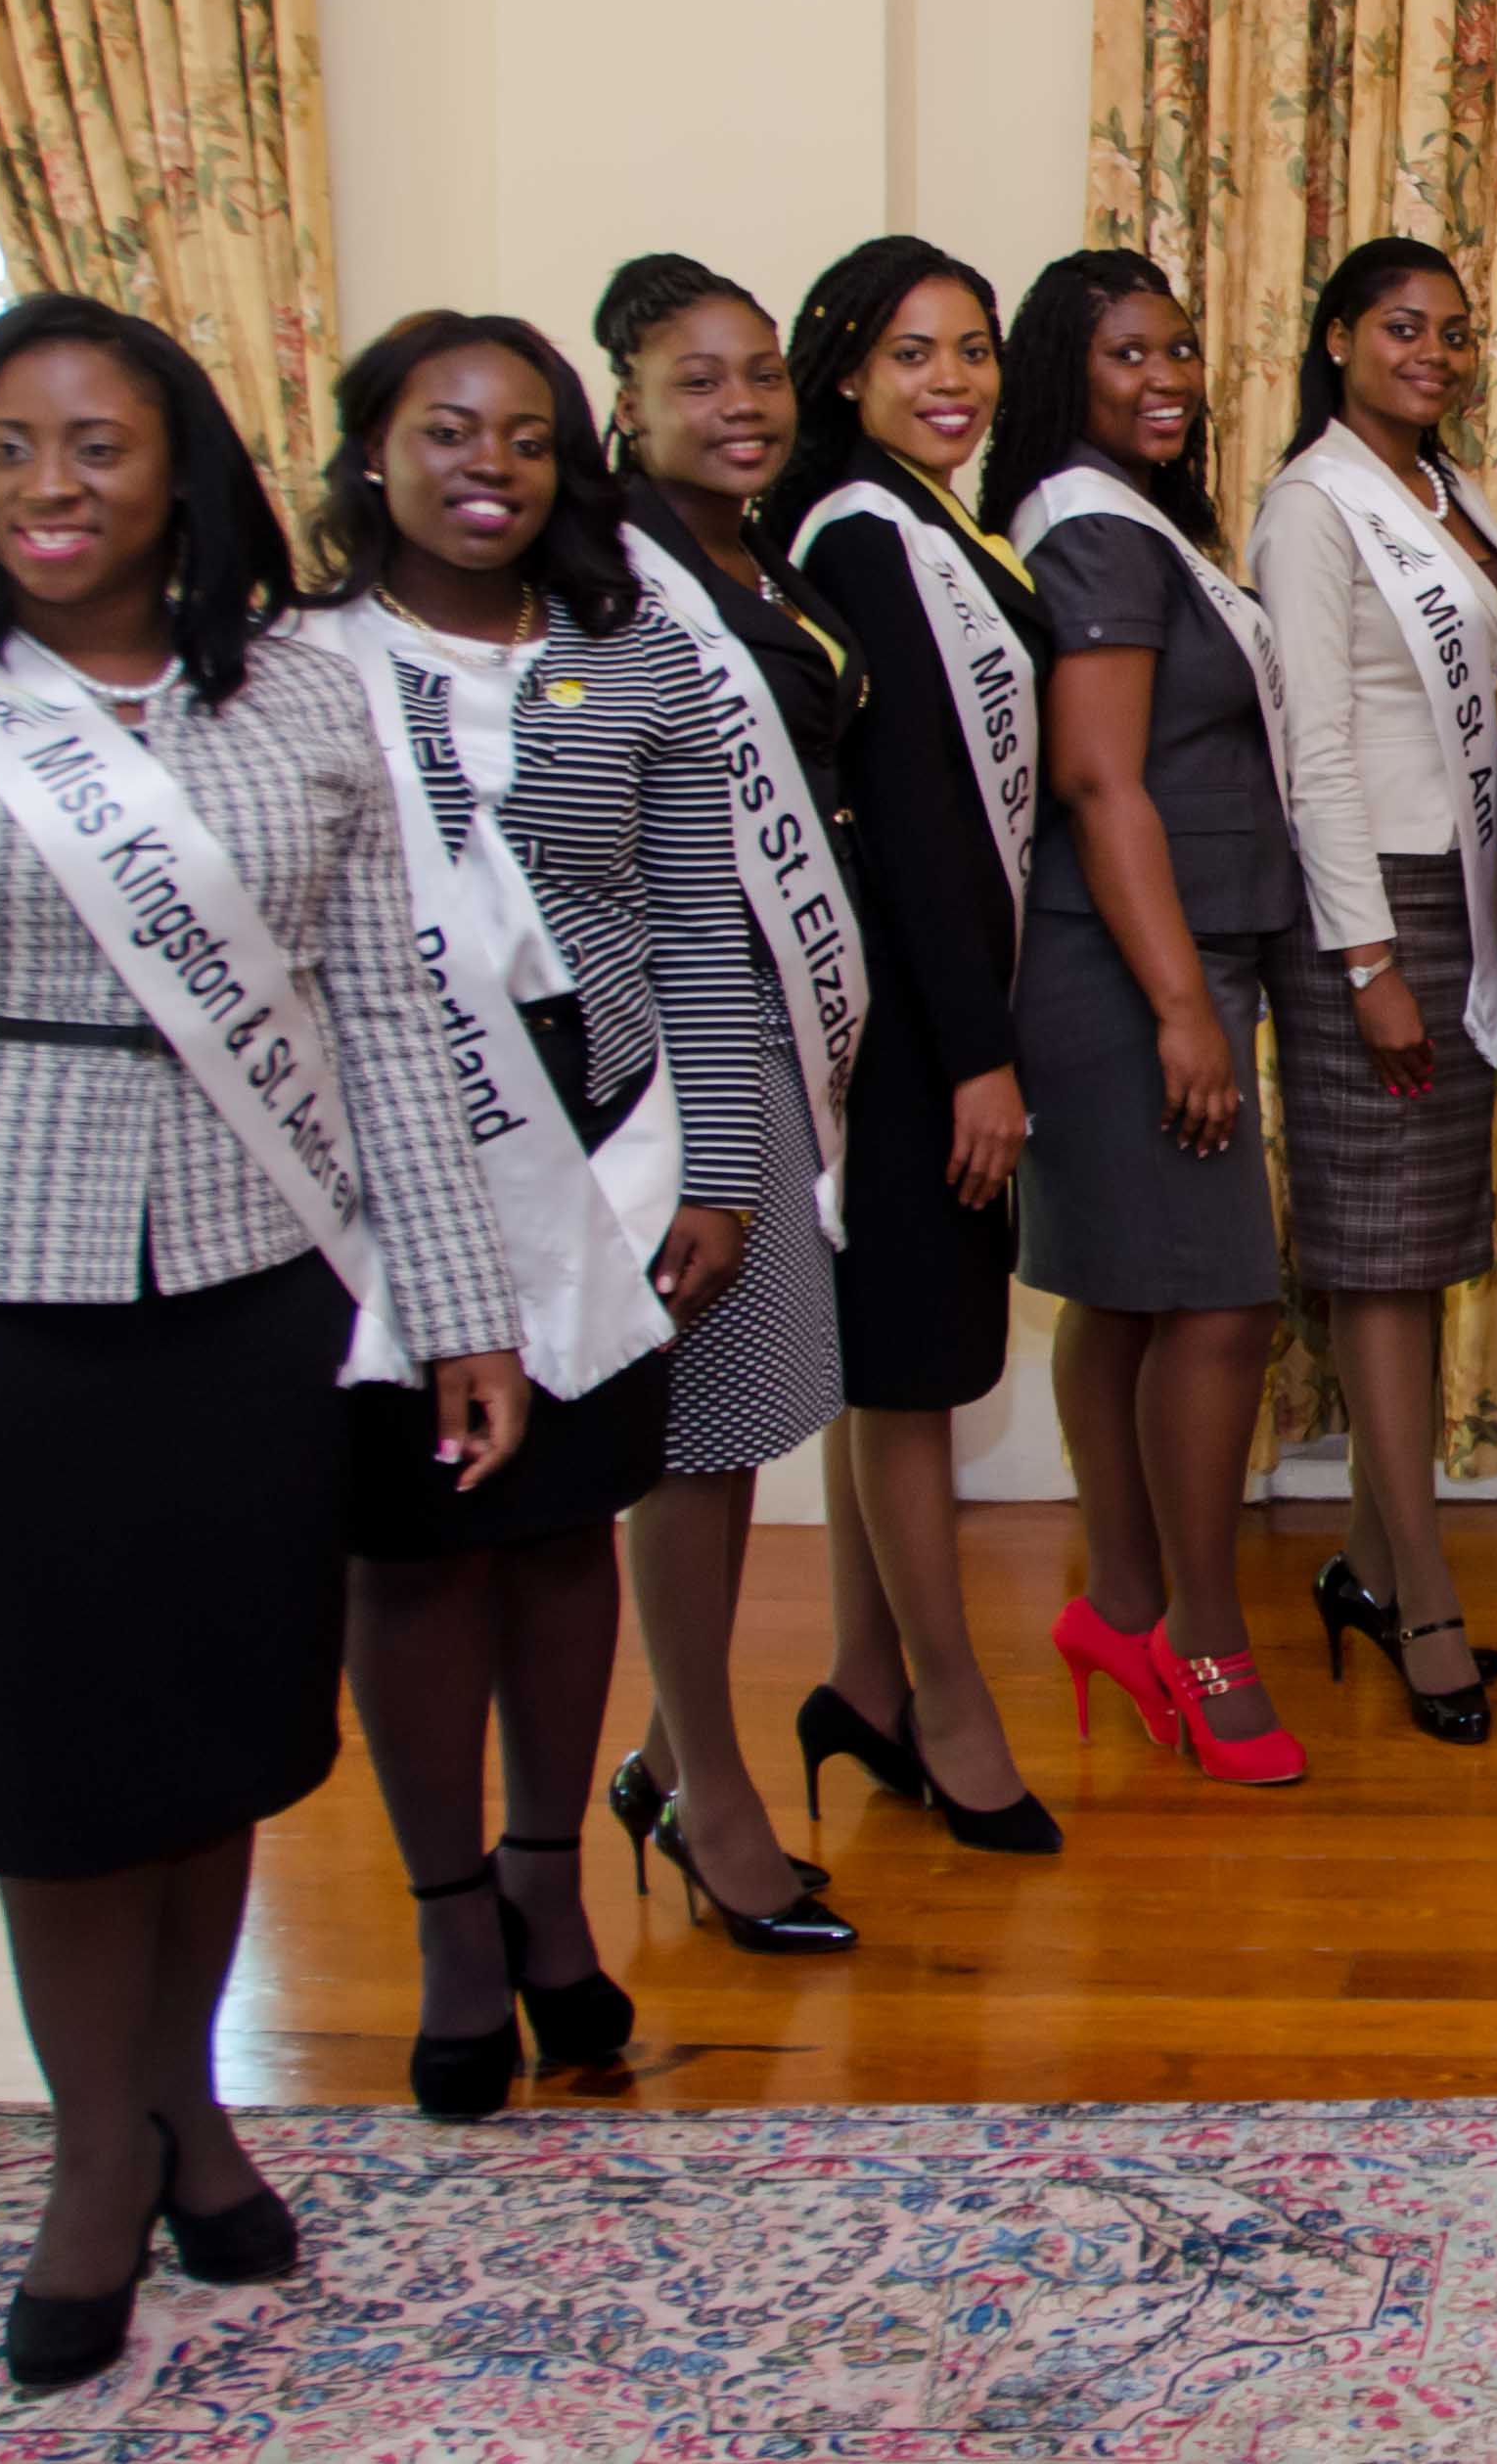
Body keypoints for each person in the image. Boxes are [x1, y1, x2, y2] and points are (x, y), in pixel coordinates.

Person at [0, 298, 525, 2392]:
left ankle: (186, 2101)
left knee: (205, 1743)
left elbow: (385, 1024)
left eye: (93, 448)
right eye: (7, 451)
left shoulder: (294, 696)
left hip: (250, 1289)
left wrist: (462, 1312)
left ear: (180, 468)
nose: (49, 492)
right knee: (54, 1760)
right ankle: (104, 2151)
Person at [305, 311, 832, 2100]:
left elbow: (698, 928)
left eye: (526, 440)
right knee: (421, 1548)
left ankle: (551, 1890)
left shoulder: (629, 657)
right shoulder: (287, 668)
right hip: (391, 1161)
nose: (489, 470)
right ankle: (452, 1914)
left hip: (608, 1147)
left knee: (557, 1542)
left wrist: (726, 1172)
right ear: (373, 446)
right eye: (448, 432)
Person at [986, 250, 1311, 1789]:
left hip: (1164, 957)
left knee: (1120, 1297)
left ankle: (1118, 1605)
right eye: (1127, 355)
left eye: (1181, 349)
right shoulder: (1098, 531)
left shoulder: (1133, 523)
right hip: (1127, 971)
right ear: (1069, 370)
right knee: (1221, 1306)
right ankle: (1203, 1636)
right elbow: (1101, 781)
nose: (1167, 378)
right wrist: (1185, 1009)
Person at [596, 256, 885, 1931]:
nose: (743, 405)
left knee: (747, 1420)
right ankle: (711, 1800)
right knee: (698, 1441)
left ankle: (662, 1751)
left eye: (762, 374)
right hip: (686, 1056)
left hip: (785, 1033)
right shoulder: (621, 590)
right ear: (626, 404)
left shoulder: (759, 563)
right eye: (699, 381)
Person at [764, 237, 1058, 1849]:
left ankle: (862, 1685)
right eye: (911, 356)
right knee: (914, 1370)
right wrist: (978, 1054)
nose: (950, 383)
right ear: (847, 376)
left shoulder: (944, 526)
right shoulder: (866, 536)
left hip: (939, 1006)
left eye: (971, 350)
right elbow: (930, 816)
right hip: (911, 1025)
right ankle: (950, 1706)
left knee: (908, 1361)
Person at [1254, 239, 1497, 1745]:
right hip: (1373, 910)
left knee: (1413, 1251)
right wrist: (1365, 960)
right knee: (1379, 1256)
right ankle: (1423, 1592)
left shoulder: (1449, 497)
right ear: (1339, 334)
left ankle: (1362, 1558)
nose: (1434, 352)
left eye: (1455, 334)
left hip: (1455, 895)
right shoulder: (1314, 501)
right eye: (1404, 327)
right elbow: (1319, 752)